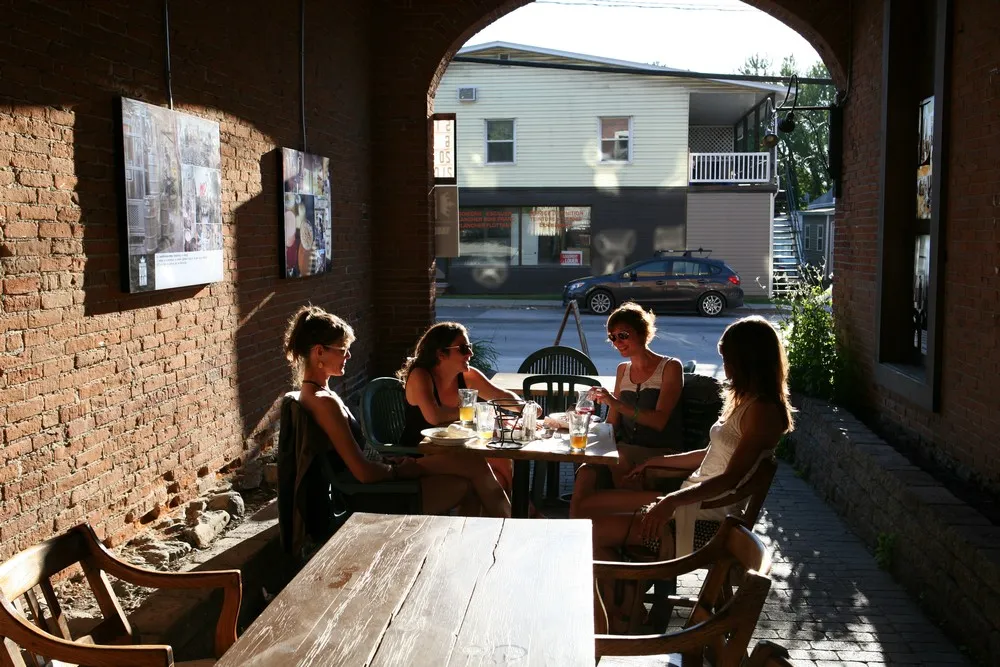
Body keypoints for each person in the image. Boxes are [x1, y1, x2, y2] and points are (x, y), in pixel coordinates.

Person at [588, 316, 794, 627]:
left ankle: (619, 614)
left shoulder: (763, 412)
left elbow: (730, 479)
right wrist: (655, 463)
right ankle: (625, 608)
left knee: (592, 532)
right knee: (592, 516)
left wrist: (671, 502)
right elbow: (712, 455)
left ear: (747, 360)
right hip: (691, 506)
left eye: (728, 359)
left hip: (704, 521)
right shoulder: (746, 402)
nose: (724, 367)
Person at [284, 305, 509, 517]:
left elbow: (361, 457)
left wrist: (392, 461)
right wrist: (400, 470)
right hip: (369, 494)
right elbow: (362, 472)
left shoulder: (318, 395)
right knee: (471, 471)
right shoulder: (323, 401)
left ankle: (490, 538)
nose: (349, 356)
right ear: (319, 352)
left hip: (383, 472)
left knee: (471, 472)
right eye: (343, 350)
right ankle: (513, 529)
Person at [569, 302, 685, 519]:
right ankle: (577, 537)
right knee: (585, 471)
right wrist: (579, 426)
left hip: (661, 449)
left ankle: (640, 522)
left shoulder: (670, 367)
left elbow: (659, 422)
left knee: (619, 455)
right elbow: (613, 424)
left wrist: (616, 403)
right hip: (625, 450)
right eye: (612, 337)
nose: (617, 342)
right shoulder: (623, 370)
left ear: (643, 332)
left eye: (622, 335)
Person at [398, 322, 524, 514]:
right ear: (441, 354)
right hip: (420, 453)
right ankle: (508, 523)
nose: (470, 354)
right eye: (464, 348)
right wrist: (471, 410)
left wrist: (524, 406)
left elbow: (500, 395)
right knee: (477, 466)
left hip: (456, 449)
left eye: (469, 347)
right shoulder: (421, 375)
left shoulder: (466, 375)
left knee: (503, 462)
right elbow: (434, 416)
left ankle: (490, 525)